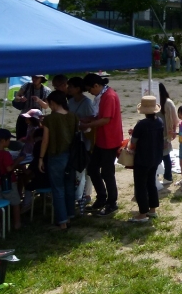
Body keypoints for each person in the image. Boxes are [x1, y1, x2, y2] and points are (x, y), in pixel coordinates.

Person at [83, 73, 123, 216]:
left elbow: (105, 119)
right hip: (102, 139)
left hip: (110, 140)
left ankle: (112, 202)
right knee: (93, 169)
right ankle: (101, 198)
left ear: (96, 86)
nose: (90, 93)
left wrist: (88, 124)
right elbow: (99, 116)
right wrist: (87, 119)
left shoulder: (109, 96)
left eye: (90, 90)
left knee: (107, 173)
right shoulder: (102, 96)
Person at [39, 90, 78, 230]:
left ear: (53, 103)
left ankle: (62, 221)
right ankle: (70, 215)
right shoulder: (73, 116)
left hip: (56, 156)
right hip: (71, 156)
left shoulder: (50, 119)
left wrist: (41, 158)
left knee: (58, 189)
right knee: (69, 187)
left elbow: (45, 141)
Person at [126, 96, 164, 222]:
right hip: (155, 157)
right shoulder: (159, 122)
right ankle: (152, 210)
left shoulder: (141, 124)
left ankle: (142, 214)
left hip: (142, 159)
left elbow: (134, 142)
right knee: (151, 183)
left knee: (141, 185)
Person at [67, 76, 94, 212]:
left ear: (78, 88)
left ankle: (87, 194)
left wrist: (79, 121)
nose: (68, 88)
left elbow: (92, 120)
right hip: (74, 139)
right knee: (77, 167)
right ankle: (78, 193)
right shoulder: (70, 101)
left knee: (86, 166)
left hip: (86, 139)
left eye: (70, 86)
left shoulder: (87, 103)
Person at [0, 129, 22, 232]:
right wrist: (17, 161)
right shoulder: (5, 154)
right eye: (8, 139)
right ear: (3, 141)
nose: (9, 142)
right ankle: (17, 224)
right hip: (8, 183)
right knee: (15, 202)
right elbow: (9, 168)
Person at [13, 75, 50, 140]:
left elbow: (46, 106)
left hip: (37, 119)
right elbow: (16, 97)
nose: (34, 79)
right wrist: (20, 98)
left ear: (41, 79)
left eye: (37, 78)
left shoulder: (46, 90)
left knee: (34, 138)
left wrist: (39, 100)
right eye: (33, 77)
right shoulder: (27, 86)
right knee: (21, 137)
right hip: (24, 116)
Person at [158, 83, 178, 186]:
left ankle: (164, 176)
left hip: (159, 134)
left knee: (160, 157)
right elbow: (175, 119)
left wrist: (173, 130)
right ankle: (167, 176)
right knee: (165, 156)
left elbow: (174, 119)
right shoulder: (167, 102)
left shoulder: (164, 103)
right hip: (164, 133)